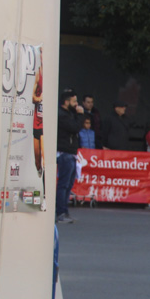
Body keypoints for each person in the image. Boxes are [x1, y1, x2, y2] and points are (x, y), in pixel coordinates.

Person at [56, 89, 84, 223]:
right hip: (65, 152)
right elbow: (75, 128)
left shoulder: (68, 114)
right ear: (66, 102)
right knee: (64, 184)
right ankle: (60, 212)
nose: (77, 104)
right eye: (74, 101)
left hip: (71, 153)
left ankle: (64, 211)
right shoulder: (62, 115)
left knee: (68, 184)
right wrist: (80, 115)